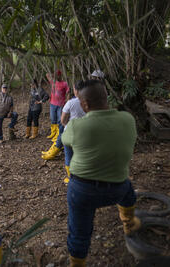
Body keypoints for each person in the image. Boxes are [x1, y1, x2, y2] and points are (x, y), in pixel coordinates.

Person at [61, 80, 140, 267]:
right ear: (106, 98)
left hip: (82, 191)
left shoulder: (76, 126)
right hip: (118, 188)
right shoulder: (127, 119)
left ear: (85, 104)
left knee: (79, 233)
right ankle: (128, 222)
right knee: (129, 191)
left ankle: (77, 264)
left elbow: (65, 140)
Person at [41, 81, 85, 161]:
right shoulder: (90, 101)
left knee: (63, 129)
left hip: (72, 132)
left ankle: (55, 149)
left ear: (76, 90)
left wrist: (66, 125)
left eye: (74, 89)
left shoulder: (71, 102)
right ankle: (55, 147)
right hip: (84, 131)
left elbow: (63, 120)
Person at [45, 70, 69, 142]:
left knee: (59, 120)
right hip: (52, 103)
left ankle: (58, 134)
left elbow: (68, 92)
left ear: (60, 75)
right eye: (55, 76)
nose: (56, 77)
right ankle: (53, 133)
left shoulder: (64, 83)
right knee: (53, 118)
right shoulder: (53, 82)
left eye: (57, 75)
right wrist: (52, 74)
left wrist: (67, 101)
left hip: (60, 104)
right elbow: (47, 74)